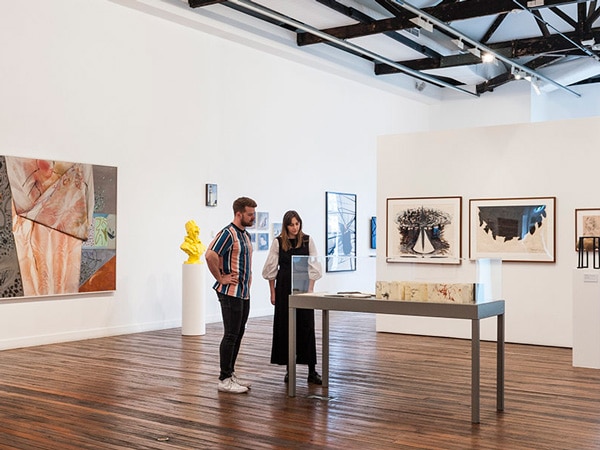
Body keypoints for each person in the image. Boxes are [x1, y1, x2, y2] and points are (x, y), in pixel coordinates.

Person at [262, 210, 323, 384]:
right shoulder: (278, 242)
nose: (295, 227)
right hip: (283, 288)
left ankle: (312, 370)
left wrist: (310, 289)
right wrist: (272, 293)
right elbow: (271, 270)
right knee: (286, 327)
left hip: (303, 287)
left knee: (306, 326)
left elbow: (314, 265)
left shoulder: (307, 240)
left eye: (297, 224)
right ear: (286, 225)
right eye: (291, 224)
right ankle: (290, 370)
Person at [205, 196, 257, 394]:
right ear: (239, 214)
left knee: (239, 332)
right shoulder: (228, 233)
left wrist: (249, 278)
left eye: (253, 214)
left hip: (243, 293)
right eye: (250, 214)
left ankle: (230, 373)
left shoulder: (245, 235)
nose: (253, 218)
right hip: (230, 293)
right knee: (231, 334)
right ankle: (224, 378)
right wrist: (221, 277)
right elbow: (210, 255)